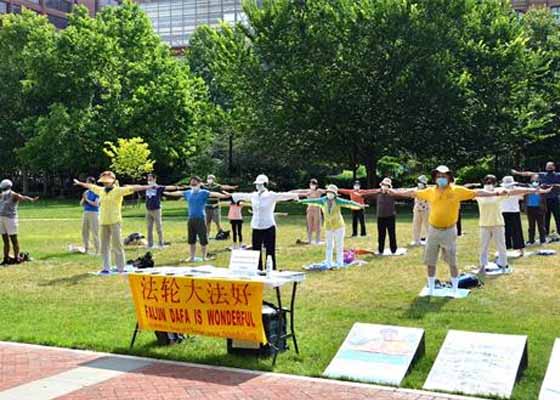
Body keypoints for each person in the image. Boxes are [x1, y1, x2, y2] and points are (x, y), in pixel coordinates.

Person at [393, 165, 509, 297]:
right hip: (433, 231)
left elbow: (477, 193)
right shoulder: (430, 191)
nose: (441, 178)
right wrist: (394, 192)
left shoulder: (457, 190)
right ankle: (431, 288)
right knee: (430, 261)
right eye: (438, 176)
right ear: (435, 178)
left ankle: (454, 289)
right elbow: (411, 193)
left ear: (449, 177)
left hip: (449, 230)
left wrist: (496, 193)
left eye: (444, 176)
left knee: (452, 261)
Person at [73, 172, 151, 274]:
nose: (105, 184)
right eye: (104, 182)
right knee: (104, 246)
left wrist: (149, 186)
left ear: (113, 181)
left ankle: (121, 268)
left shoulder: (118, 190)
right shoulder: (100, 190)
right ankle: (106, 268)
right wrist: (79, 183)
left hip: (115, 222)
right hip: (104, 222)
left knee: (117, 245)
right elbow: (90, 186)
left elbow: (134, 188)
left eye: (107, 182)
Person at [475, 175, 543, 274]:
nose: (489, 184)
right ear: (484, 183)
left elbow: (516, 191)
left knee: (501, 245)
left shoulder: (499, 192)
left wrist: (532, 190)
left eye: (491, 182)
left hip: (498, 223)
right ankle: (482, 266)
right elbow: (463, 192)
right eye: (487, 182)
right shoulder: (479, 193)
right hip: (484, 224)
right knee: (483, 246)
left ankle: (503, 264)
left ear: (495, 183)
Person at [232, 174, 299, 270]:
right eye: (257, 184)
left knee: (270, 251)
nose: (258, 186)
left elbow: (283, 195)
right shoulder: (253, 195)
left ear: (265, 184)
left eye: (260, 184)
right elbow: (242, 195)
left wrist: (295, 195)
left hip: (268, 226)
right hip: (256, 226)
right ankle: (258, 270)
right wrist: (231, 195)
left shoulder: (271, 195)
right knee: (256, 251)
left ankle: (271, 270)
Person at [164, 176, 230, 262]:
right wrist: (165, 192)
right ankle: (191, 257)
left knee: (203, 239)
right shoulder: (188, 192)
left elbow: (214, 194)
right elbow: (177, 193)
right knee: (191, 239)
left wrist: (225, 196)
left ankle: (204, 257)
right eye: (192, 183)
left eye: (195, 183)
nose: (193, 185)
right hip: (191, 219)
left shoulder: (203, 192)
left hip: (200, 219)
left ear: (199, 184)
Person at [298, 185, 364, 268]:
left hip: (339, 226)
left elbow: (349, 203)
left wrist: (359, 205)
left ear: (335, 194)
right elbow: (313, 201)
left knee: (339, 245)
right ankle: (328, 262)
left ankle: (339, 263)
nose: (330, 194)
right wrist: (301, 201)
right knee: (329, 245)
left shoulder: (338, 201)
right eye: (329, 192)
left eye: (332, 193)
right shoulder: (323, 200)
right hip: (328, 227)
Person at [513, 161, 560, 235]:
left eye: (550, 166)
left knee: (558, 216)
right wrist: (518, 173)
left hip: (555, 199)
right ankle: (545, 234)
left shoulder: (558, 175)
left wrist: (551, 185)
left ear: (554, 167)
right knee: (545, 217)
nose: (548, 167)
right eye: (547, 166)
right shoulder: (543, 174)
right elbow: (530, 173)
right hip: (544, 200)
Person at [0, 179, 38, 264]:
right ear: (10, 186)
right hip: (10, 218)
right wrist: (31, 199)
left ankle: (6, 259)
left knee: (5, 240)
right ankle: (17, 258)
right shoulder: (13, 194)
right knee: (14, 240)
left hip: (1, 218)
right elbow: (23, 197)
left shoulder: (2, 195)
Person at [144, 173, 182, 249]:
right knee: (149, 228)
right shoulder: (146, 187)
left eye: (151, 179)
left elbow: (168, 187)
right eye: (148, 179)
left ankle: (161, 243)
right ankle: (150, 244)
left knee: (158, 227)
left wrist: (177, 187)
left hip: (156, 210)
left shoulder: (158, 187)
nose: (149, 180)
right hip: (148, 210)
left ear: (154, 179)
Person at [291, 178, 325, 244]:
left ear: (316, 185)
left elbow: (327, 191)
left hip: (317, 210)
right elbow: (299, 191)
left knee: (317, 225)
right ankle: (309, 239)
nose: (312, 185)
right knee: (309, 225)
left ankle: (317, 240)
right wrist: (291, 192)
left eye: (313, 184)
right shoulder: (308, 191)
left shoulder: (319, 191)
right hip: (309, 210)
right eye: (311, 184)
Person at [500, 176, 526, 256]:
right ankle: (520, 250)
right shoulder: (517, 190)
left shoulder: (501, 190)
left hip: (505, 211)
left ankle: (505, 249)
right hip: (513, 211)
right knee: (517, 231)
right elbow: (521, 198)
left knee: (505, 231)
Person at [525, 174, 547, 245]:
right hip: (530, 208)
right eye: (533, 178)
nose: (534, 179)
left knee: (541, 225)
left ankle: (543, 240)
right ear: (531, 179)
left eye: (536, 177)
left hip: (539, 208)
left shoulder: (542, 186)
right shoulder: (527, 187)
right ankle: (531, 240)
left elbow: (545, 191)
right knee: (531, 226)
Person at [80, 177, 100, 255]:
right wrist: (83, 199)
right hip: (86, 212)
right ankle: (86, 248)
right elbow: (81, 204)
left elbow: (96, 204)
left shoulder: (97, 192)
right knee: (84, 231)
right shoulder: (87, 192)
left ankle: (98, 250)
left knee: (95, 232)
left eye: (88, 183)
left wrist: (87, 200)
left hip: (94, 213)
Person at [411, 175, 430, 246]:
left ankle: (429, 240)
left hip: (426, 210)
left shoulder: (428, 190)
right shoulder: (415, 189)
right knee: (416, 225)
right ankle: (416, 240)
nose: (419, 183)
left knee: (427, 225)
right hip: (417, 210)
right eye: (418, 182)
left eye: (420, 182)